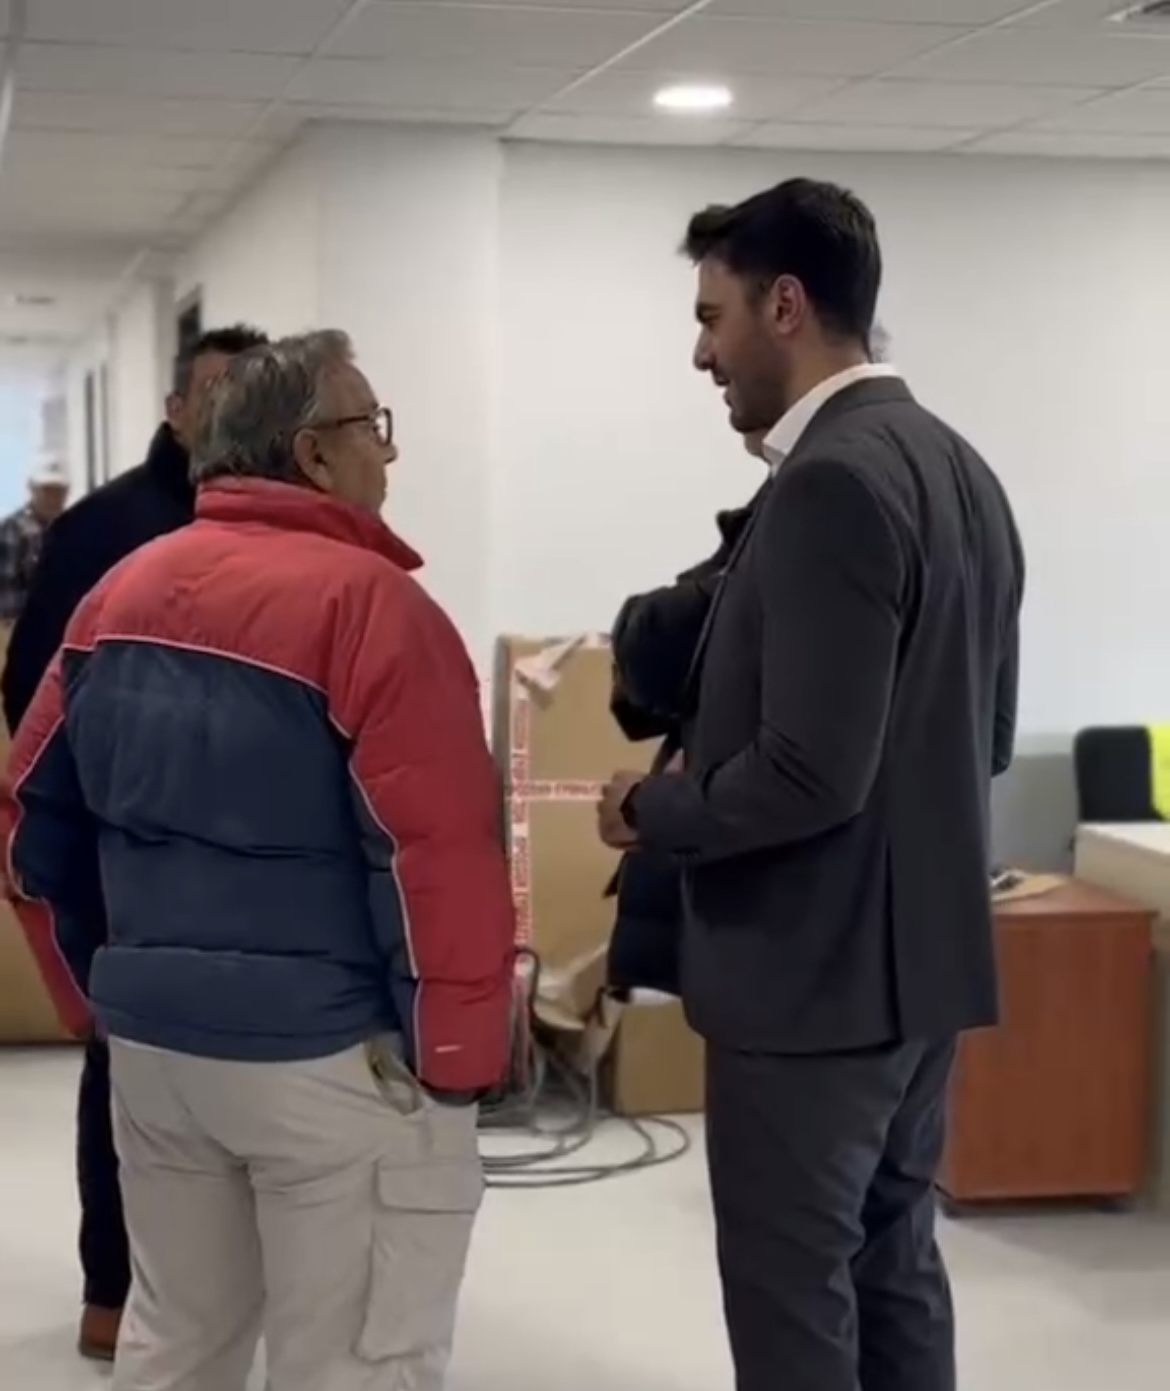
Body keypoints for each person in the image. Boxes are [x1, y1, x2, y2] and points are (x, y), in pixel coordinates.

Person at [2, 329, 515, 1391]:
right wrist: (458, 1060)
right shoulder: (376, 609)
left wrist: (100, 987)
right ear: (312, 452)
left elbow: (27, 817)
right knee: (354, 1362)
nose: (389, 451)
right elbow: (437, 857)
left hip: (158, 1055)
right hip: (326, 1060)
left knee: (176, 1343)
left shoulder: (117, 596)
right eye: (371, 426)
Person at [597, 178, 1024, 1391]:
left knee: (793, 1300)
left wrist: (650, 808)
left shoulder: (831, 482)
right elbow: (987, 737)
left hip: (810, 987)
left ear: (785, 306)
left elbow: (807, 774)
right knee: (895, 1267)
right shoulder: (963, 471)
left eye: (713, 316)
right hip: (921, 973)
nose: (702, 352)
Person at [0, 322, 268, 1362]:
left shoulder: (296, 536)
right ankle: (112, 1287)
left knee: (246, 1079)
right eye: (217, 393)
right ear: (177, 409)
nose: (234, 413)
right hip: (128, 858)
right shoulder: (104, 530)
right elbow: (36, 703)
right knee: (126, 1069)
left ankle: (230, 1291)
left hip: (252, 862)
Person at [0, 455, 70, 624]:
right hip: (21, 625)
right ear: (32, 489)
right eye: (47, 491)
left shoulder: (72, 527)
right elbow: (6, 591)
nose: (53, 498)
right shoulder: (13, 530)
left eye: (58, 491)